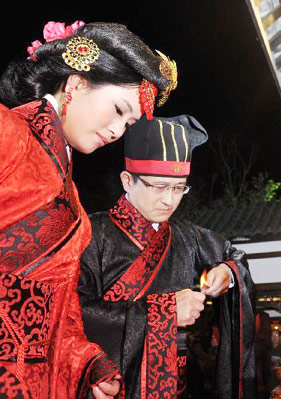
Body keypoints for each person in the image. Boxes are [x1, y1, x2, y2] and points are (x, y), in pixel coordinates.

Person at [0, 20, 175, 399]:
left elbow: (61, 311)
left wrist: (87, 365)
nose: (116, 131)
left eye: (127, 124)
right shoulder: (7, 132)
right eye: (117, 109)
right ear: (76, 84)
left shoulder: (75, 201)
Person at [77, 115, 256, 399]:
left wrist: (226, 274)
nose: (169, 200)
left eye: (178, 188)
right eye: (158, 187)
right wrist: (166, 311)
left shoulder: (187, 236)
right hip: (112, 386)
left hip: (178, 387)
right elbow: (72, 312)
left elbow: (233, 257)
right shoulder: (89, 234)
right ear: (127, 180)